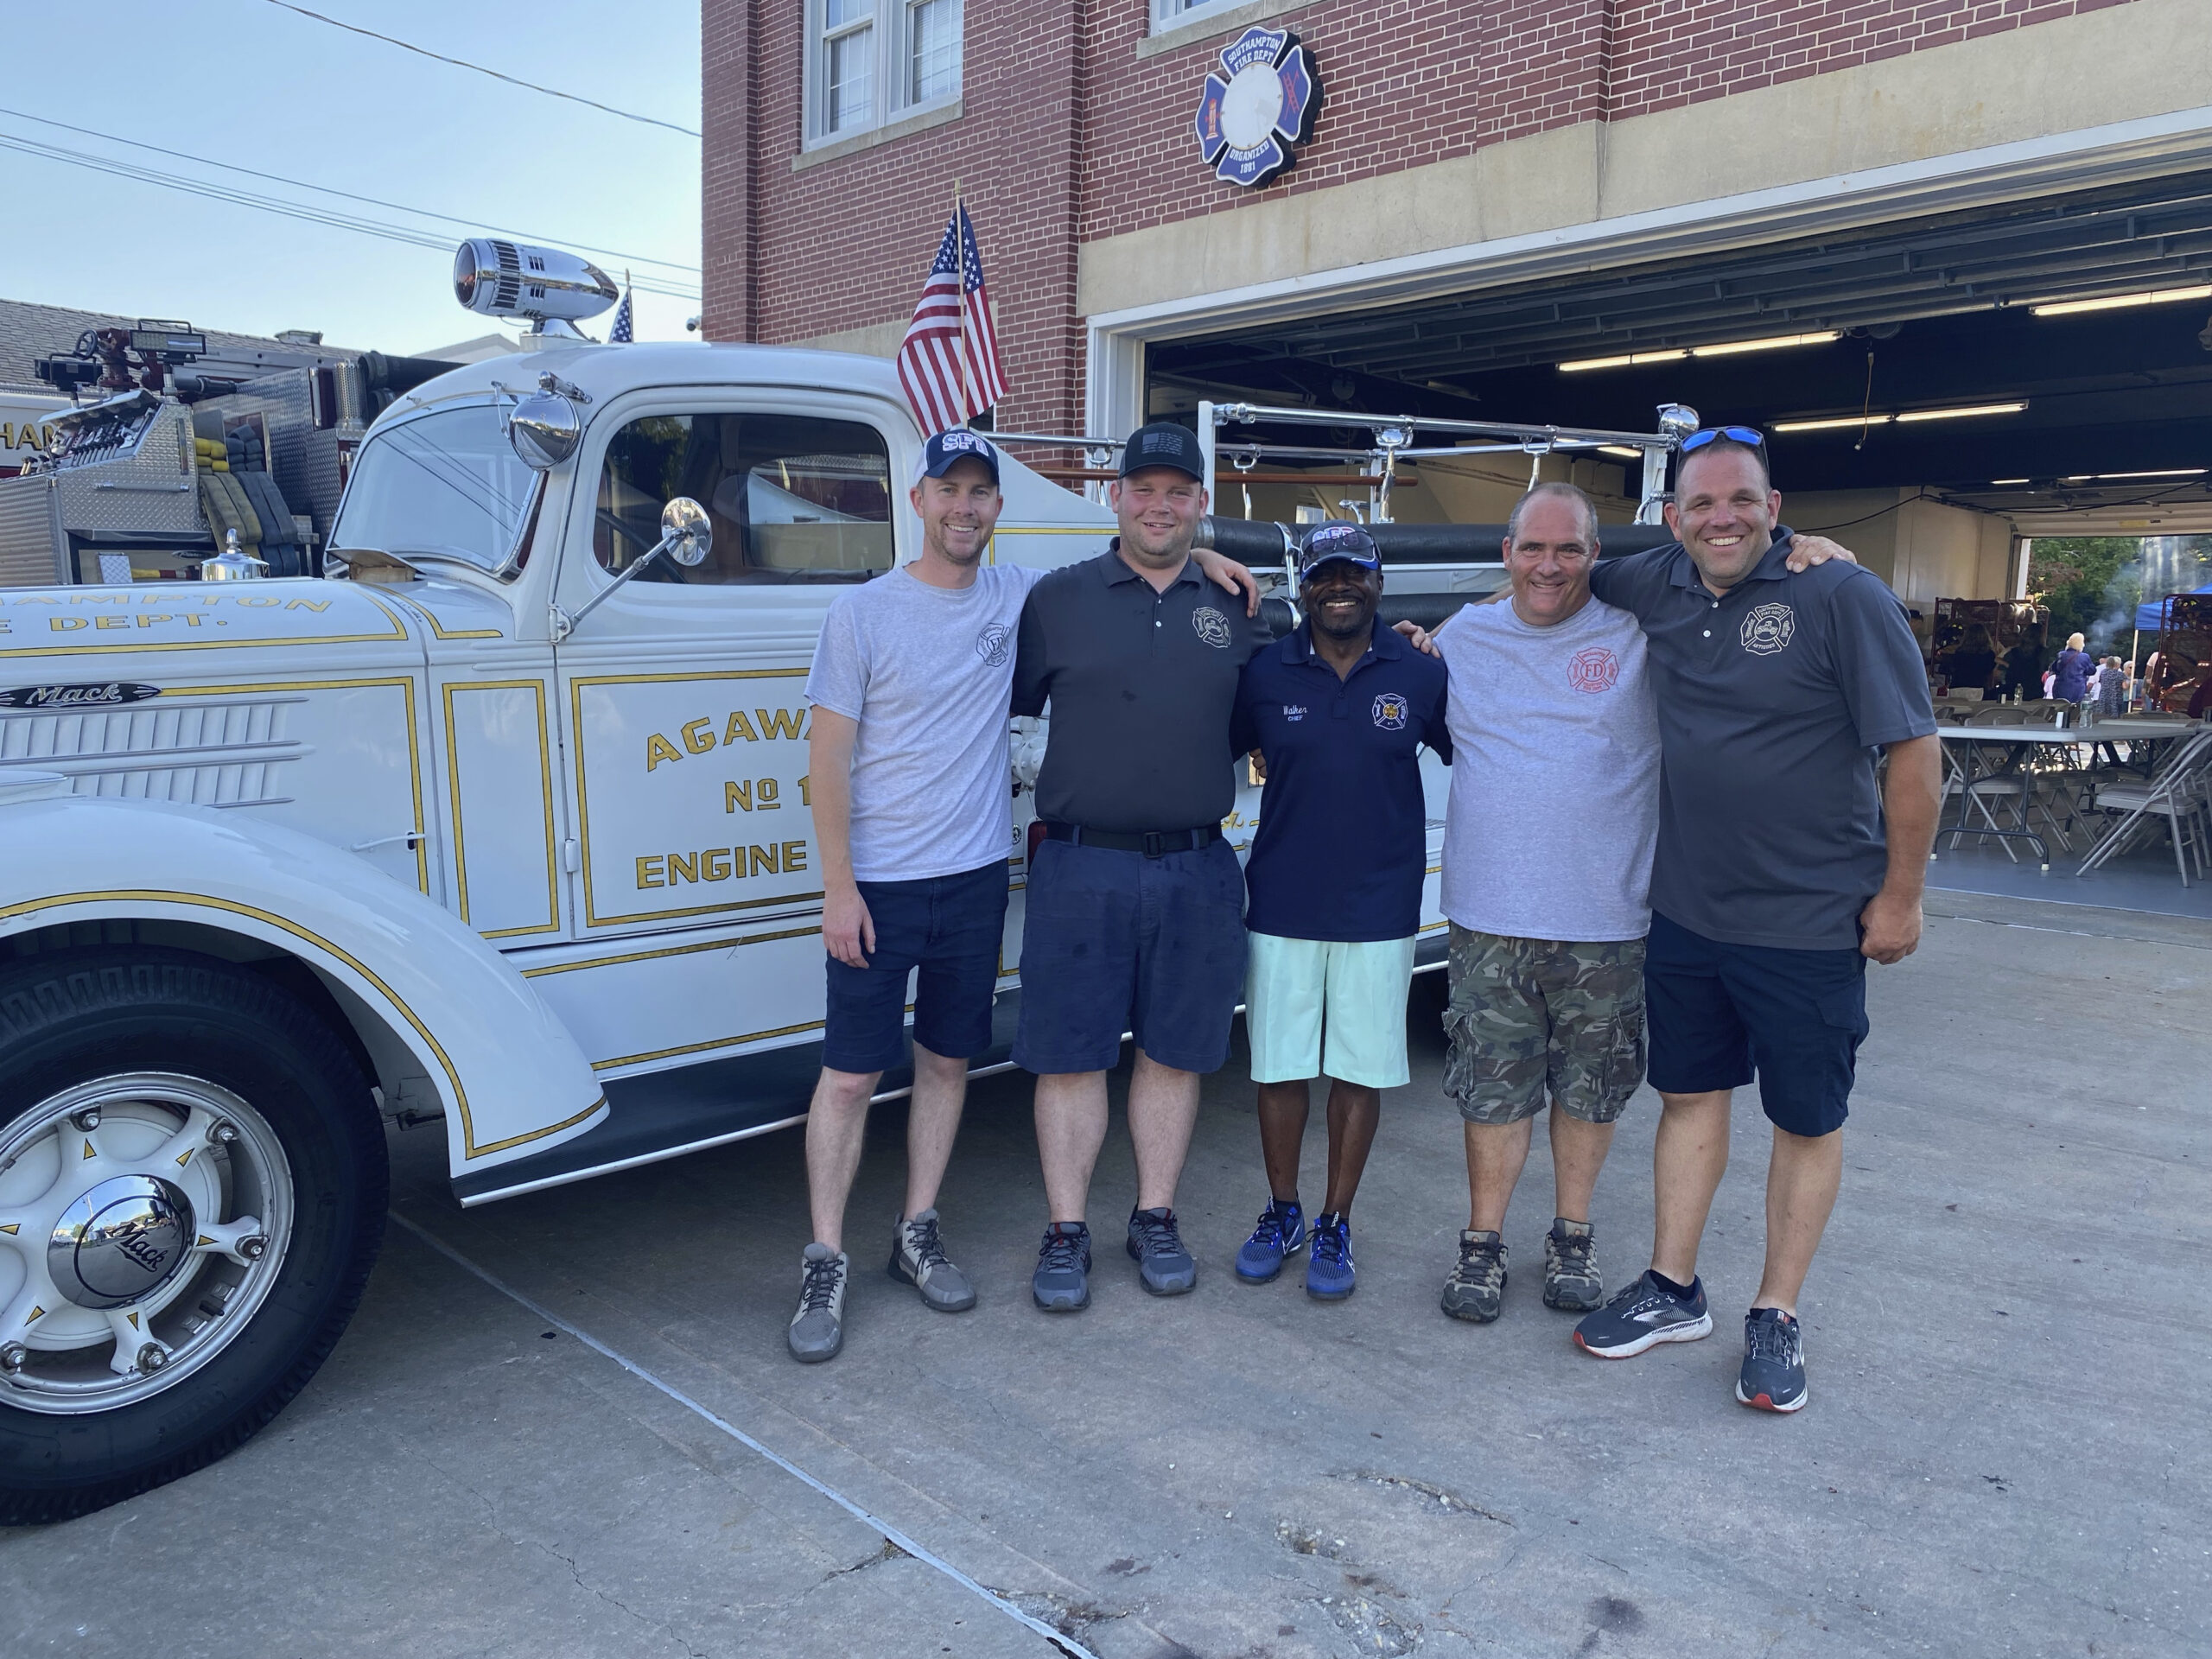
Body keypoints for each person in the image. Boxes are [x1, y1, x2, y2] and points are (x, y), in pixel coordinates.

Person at [790, 429, 1255, 1362]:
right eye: (948, 491)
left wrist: (1200, 553)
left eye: (981, 494)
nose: (964, 507)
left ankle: (948, 1230)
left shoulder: (1054, 596)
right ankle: (852, 1255)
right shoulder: (912, 608)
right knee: (861, 1075)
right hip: (944, 878)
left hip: (1014, 874)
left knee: (975, 1064)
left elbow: (1157, 569)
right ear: (917, 500)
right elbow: (827, 755)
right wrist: (836, 887)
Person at [1567, 426, 1941, 1415]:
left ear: (1775, 510)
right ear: (1671, 519)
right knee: (1689, 1099)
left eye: (1741, 500)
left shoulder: (1839, 595)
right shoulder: (1658, 585)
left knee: (1804, 1119)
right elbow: (1552, 568)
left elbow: (1912, 754)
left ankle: (1774, 1312)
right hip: (1689, 914)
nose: (1720, 518)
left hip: (1811, 923)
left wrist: (1899, 898)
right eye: (1700, 504)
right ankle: (1673, 1286)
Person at [1008, 421, 1281, 1312]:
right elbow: (1003, 711)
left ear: (1200, 504)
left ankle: (1153, 1217)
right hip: (1082, 865)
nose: (1158, 505)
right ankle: (1066, 1230)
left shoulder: (1240, 612)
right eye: (1143, 489)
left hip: (1199, 866)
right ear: (1114, 497)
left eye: (1177, 492)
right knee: (1072, 1056)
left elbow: (1277, 710)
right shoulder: (1056, 600)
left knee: (1174, 1053)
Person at [1427, 483, 1660, 1325]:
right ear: (1506, 553)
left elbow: (1725, 567)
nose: (1549, 565)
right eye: (1533, 548)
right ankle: (1482, 1245)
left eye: (1569, 550)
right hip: (1489, 917)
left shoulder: (1639, 635)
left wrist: (1816, 551)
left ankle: (1571, 1235)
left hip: (1606, 920)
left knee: (1589, 1092)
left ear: (1596, 555)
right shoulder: (1460, 637)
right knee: (1492, 1090)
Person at [1227, 522, 1451, 1300]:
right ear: (1305, 585)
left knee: (1360, 1071)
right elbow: (1203, 751)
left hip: (1381, 905)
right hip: (1283, 899)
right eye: (1325, 574)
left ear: (1380, 584)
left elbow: (1485, 754)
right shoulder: (1263, 673)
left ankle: (1335, 1221)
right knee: (1281, 1066)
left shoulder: (1422, 672)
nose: (1340, 586)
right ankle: (1283, 1210)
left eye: (1355, 572)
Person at [2050, 632, 2094, 704]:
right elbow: (2092, 671)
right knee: (2074, 710)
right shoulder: (2084, 657)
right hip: (2077, 689)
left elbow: (2054, 668)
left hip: (2060, 688)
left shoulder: (2061, 655)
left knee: (2060, 708)